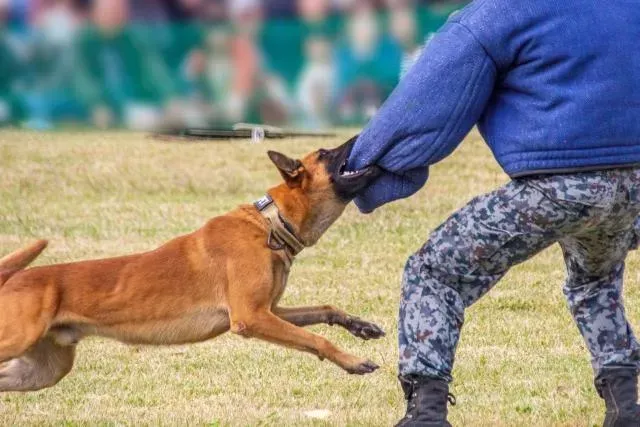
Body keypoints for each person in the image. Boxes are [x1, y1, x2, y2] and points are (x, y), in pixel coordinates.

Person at [345, 1, 640, 426]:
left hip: (555, 186)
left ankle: (425, 413)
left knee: (435, 273)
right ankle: (626, 406)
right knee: (595, 280)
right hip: (632, 186)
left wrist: (359, 166)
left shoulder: (497, 13)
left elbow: (423, 99)